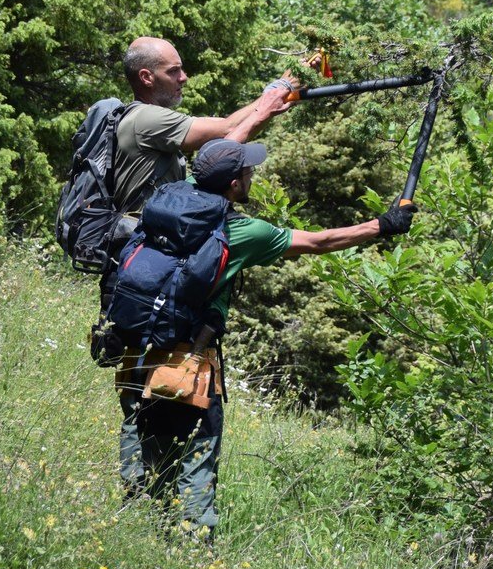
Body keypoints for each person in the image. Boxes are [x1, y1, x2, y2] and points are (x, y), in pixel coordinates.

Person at [128, 137, 416, 538]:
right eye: (247, 172)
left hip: (135, 346)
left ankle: (136, 530)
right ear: (232, 184)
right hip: (186, 360)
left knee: (145, 445)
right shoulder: (241, 232)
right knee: (196, 453)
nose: (252, 176)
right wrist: (382, 225)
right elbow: (318, 242)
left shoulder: (167, 201)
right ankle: (192, 551)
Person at [110, 37, 295, 496]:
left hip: (140, 275)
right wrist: (267, 101)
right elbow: (223, 134)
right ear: (147, 78)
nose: (184, 77)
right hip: (164, 287)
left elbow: (217, 159)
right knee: (181, 398)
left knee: (144, 398)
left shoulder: (133, 123)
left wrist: (265, 109)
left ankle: (143, 500)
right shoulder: (148, 119)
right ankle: (182, 519)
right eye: (174, 71)